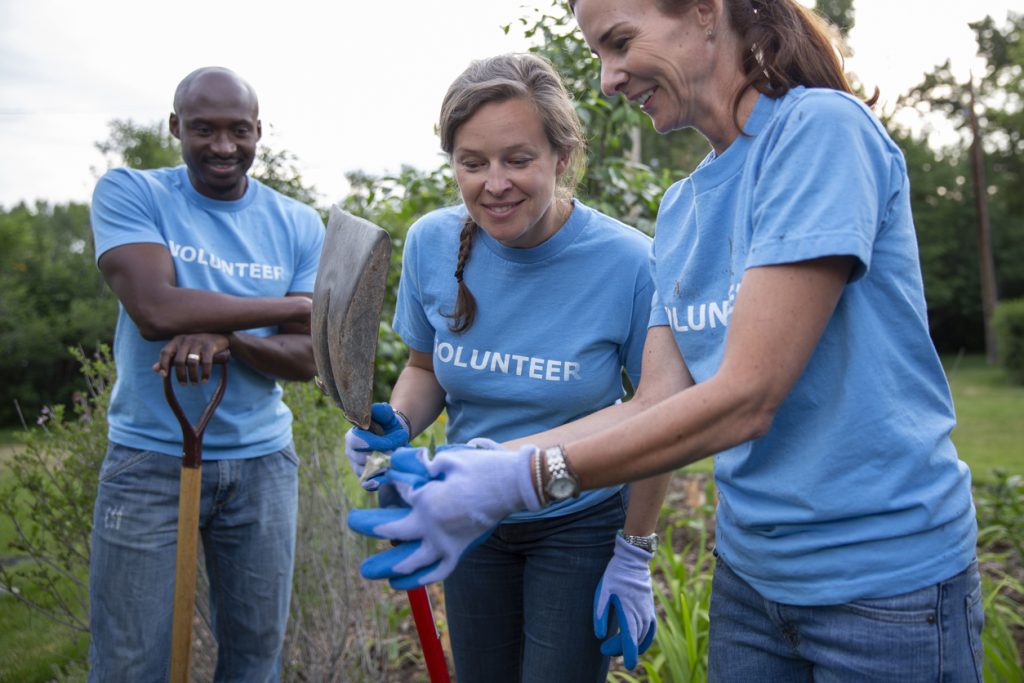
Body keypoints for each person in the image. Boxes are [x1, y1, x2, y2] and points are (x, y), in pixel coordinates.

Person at [348, 2, 984, 681]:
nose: (607, 80)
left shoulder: (817, 130)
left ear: (707, 13)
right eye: (598, 54)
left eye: (620, 44)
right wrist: (476, 468)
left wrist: (524, 478)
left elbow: (747, 396)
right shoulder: (681, 210)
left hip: (884, 589)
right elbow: (652, 401)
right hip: (753, 582)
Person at [344, 52, 670, 681]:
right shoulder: (431, 242)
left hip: (577, 519)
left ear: (562, 157)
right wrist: (397, 425)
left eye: (518, 159)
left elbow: (658, 412)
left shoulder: (630, 264)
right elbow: (425, 368)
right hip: (469, 515)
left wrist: (633, 552)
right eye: (473, 163)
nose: (494, 183)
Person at [88, 66, 323, 681]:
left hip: (263, 464)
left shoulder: (297, 223)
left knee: (254, 657)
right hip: (150, 461)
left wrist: (227, 338)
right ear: (175, 128)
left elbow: (308, 358)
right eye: (204, 130)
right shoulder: (132, 193)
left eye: (238, 130)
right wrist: (289, 308)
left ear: (258, 131)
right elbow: (154, 309)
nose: (223, 147)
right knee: (130, 661)